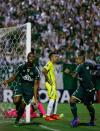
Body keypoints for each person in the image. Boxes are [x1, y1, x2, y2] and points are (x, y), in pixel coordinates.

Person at [2, 52, 40, 125]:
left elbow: (35, 84)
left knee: (23, 106)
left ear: (34, 59)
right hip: (21, 85)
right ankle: (17, 107)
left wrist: (35, 97)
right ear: (27, 58)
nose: (31, 58)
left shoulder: (36, 70)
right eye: (30, 56)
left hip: (29, 89)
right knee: (16, 101)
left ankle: (17, 119)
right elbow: (14, 76)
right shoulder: (21, 66)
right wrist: (7, 81)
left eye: (33, 57)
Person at [69, 51, 97, 127]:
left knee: (88, 106)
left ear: (81, 60)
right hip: (87, 88)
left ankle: (90, 120)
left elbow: (74, 75)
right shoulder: (88, 64)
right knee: (73, 100)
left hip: (87, 89)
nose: (76, 60)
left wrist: (71, 73)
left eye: (77, 59)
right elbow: (95, 67)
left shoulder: (79, 66)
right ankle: (79, 119)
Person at [42, 52, 61, 121]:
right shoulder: (49, 63)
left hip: (53, 85)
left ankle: (54, 114)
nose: (57, 58)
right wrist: (48, 80)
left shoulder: (52, 65)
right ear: (51, 57)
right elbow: (43, 70)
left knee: (56, 98)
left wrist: (54, 83)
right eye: (55, 57)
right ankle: (47, 116)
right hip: (50, 85)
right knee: (52, 99)